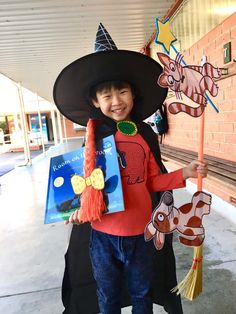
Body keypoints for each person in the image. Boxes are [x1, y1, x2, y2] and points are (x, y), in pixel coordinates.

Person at [53, 24, 208, 314]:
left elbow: (153, 181)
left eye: (122, 91)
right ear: (95, 102)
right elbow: (82, 189)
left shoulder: (144, 135)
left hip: (142, 235)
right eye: (106, 95)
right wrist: (72, 211)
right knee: (107, 299)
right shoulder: (92, 139)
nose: (115, 101)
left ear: (133, 94)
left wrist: (185, 173)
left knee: (142, 295)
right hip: (102, 236)